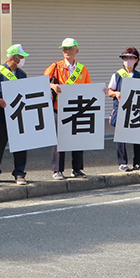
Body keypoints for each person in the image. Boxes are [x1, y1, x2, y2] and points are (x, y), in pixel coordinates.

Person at [46, 38, 91, 180]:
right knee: (60, 139)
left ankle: (77, 169)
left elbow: (88, 87)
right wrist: (52, 86)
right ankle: (57, 170)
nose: (65, 51)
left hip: (77, 108)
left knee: (77, 138)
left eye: (69, 48)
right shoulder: (56, 66)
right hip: (59, 108)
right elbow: (41, 82)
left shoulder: (82, 69)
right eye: (64, 49)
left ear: (76, 50)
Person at [0, 44, 29, 185]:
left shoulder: (22, 74)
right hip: (1, 113)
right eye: (21, 57)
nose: (23, 60)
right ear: (13, 57)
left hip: (18, 113)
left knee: (21, 143)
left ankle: (19, 173)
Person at [107, 47, 140, 172]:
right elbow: (109, 91)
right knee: (121, 137)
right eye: (125, 58)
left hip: (136, 110)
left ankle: (138, 162)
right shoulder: (117, 75)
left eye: (130, 58)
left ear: (136, 60)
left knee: (138, 136)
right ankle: (122, 162)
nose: (127, 60)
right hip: (121, 109)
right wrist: (116, 93)